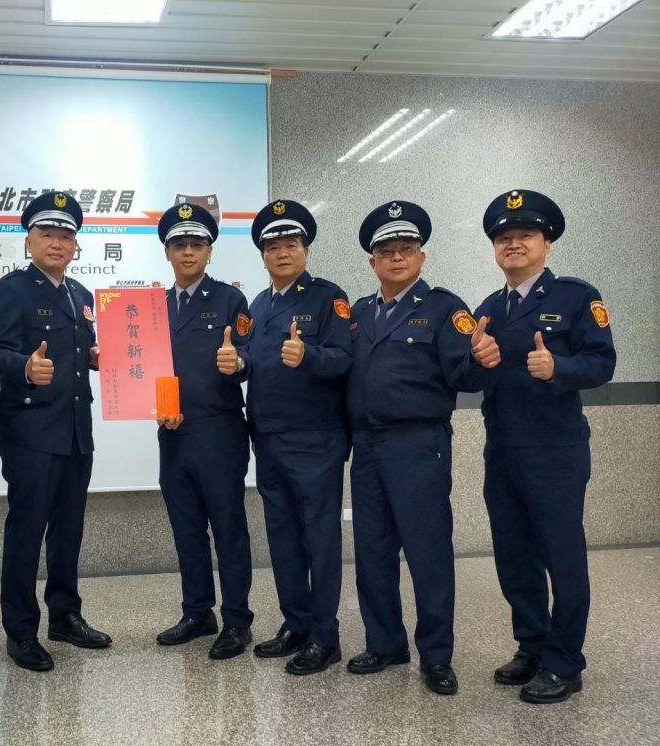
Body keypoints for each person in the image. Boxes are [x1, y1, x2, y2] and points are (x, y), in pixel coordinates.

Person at [346, 200, 500, 696]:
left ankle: (436, 656)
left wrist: (482, 360)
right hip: (367, 448)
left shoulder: (443, 308)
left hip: (418, 445)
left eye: (406, 248)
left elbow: (464, 375)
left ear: (421, 256)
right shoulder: (359, 312)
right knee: (372, 550)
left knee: (427, 551)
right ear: (372, 261)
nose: (396, 257)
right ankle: (385, 643)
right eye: (386, 251)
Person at [475, 190, 615, 704]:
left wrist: (559, 368)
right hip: (503, 448)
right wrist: (475, 360)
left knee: (562, 555)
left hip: (555, 449)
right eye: (504, 238)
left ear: (547, 244)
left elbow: (602, 363)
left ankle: (564, 660)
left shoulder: (576, 297)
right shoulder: (489, 308)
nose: (513, 244)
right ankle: (532, 644)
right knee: (514, 556)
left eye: (525, 236)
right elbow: (473, 375)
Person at [0, 191, 111, 672]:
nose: (56, 243)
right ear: (29, 240)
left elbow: (81, 352)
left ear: (76, 244)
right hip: (30, 428)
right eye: (47, 234)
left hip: (76, 428)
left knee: (69, 527)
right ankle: (20, 630)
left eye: (65, 235)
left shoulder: (81, 294)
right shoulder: (10, 290)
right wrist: (24, 366)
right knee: (27, 529)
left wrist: (95, 358)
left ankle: (65, 615)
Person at [243, 199, 351, 675]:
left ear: (305, 250)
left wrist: (309, 356)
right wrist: (236, 365)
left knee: (320, 539)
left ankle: (325, 636)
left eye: (291, 244)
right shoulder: (258, 305)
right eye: (273, 246)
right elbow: (250, 360)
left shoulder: (328, 298)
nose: (282, 252)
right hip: (268, 438)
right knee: (283, 536)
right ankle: (296, 623)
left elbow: (345, 359)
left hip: (315, 440)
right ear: (262, 255)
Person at [153, 203, 254, 659]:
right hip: (172, 433)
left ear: (209, 251)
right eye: (179, 245)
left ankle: (236, 619)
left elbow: (249, 355)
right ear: (167, 253)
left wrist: (239, 363)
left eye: (197, 244)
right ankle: (197, 612)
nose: (188, 252)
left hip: (220, 432)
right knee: (187, 528)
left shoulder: (231, 301)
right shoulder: (154, 307)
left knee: (228, 528)